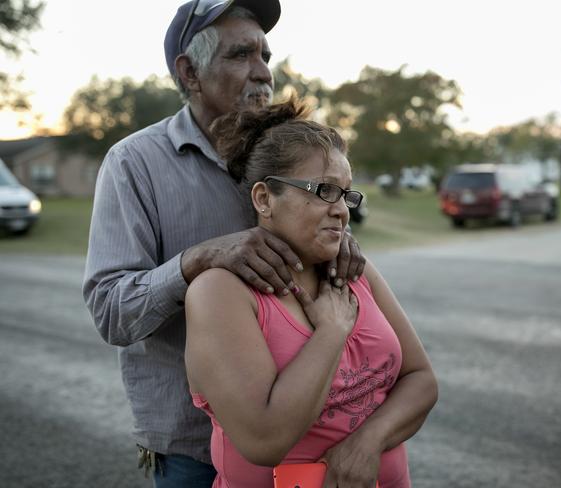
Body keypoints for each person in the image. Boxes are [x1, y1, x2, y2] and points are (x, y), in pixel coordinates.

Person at [82, 1, 364, 486]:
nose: (263, 74)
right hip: (194, 451)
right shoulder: (133, 165)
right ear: (189, 71)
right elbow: (111, 312)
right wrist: (197, 260)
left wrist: (340, 242)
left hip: (316, 434)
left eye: (265, 57)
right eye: (241, 55)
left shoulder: (288, 154)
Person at [184, 98, 438, 487]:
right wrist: (331, 332)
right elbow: (263, 439)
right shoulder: (220, 292)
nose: (342, 211)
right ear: (264, 199)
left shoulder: (356, 271)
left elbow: (421, 380)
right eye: (324, 190)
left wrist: (367, 443)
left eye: (347, 194)